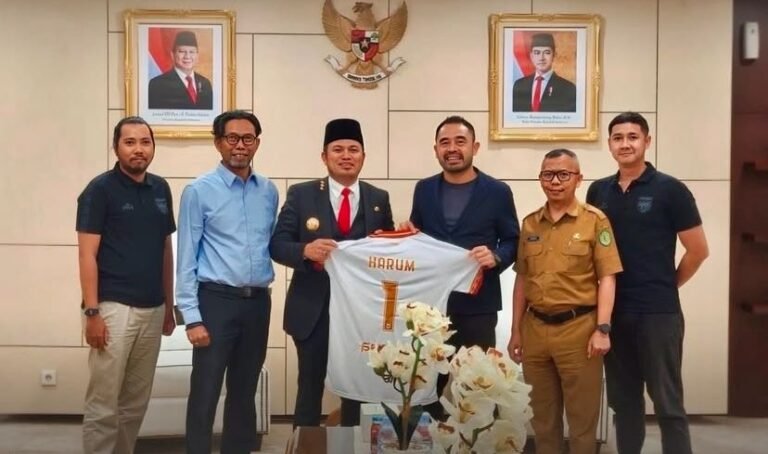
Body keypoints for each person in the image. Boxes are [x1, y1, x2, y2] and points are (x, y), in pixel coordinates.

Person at [586, 112, 709, 454]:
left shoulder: (671, 190)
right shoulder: (598, 191)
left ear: (647, 141)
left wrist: (668, 286)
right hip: (612, 315)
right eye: (618, 137)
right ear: (609, 144)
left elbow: (698, 251)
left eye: (633, 137)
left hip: (658, 314)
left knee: (668, 405)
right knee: (624, 404)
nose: (625, 144)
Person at [270, 118, 394, 428]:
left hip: (361, 314)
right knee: (309, 388)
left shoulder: (378, 199)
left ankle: (355, 446)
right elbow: (277, 245)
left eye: (353, 149)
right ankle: (305, 446)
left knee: (358, 390)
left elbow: (387, 252)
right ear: (324, 156)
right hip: (313, 311)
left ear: (363, 156)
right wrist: (305, 251)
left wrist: (404, 239)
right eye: (338, 149)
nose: (346, 155)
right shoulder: (302, 194)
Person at [508, 149, 622, 454]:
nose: (555, 181)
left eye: (563, 174)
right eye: (548, 175)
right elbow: (522, 280)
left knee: (582, 423)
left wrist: (603, 329)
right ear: (540, 179)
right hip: (535, 330)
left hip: (579, 332)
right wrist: (516, 331)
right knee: (542, 421)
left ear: (578, 179)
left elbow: (608, 278)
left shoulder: (595, 221)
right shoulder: (530, 224)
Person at [176, 110, 278, 453]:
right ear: (218, 143)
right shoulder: (199, 191)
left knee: (244, 391)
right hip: (215, 303)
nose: (240, 145)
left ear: (257, 143)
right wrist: (192, 317)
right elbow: (186, 257)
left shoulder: (269, 191)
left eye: (247, 139)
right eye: (232, 138)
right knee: (205, 390)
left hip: (257, 303)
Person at [407, 115, 520, 416]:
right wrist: (406, 235)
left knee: (478, 390)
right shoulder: (424, 189)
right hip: (431, 310)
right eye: (445, 143)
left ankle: (481, 439)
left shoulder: (497, 192)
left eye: (460, 141)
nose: (452, 148)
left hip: (478, 307)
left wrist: (496, 256)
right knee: (425, 389)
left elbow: (513, 241)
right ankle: (429, 439)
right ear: (436, 149)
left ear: (475, 147)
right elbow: (419, 239)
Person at [77, 116, 176, 454]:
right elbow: (87, 255)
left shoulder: (161, 189)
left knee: (134, 404)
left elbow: (165, 250)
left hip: (153, 308)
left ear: (153, 146)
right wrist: (92, 313)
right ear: (116, 147)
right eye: (129, 142)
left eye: (145, 142)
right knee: (104, 405)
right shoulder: (99, 190)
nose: (138, 149)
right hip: (112, 309)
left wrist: (169, 305)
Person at [148, 30, 213, 110]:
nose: (187, 56)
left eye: (192, 52)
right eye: (182, 51)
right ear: (172, 55)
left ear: (197, 56)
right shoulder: (157, 84)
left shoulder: (205, 83)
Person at [512, 33, 577, 113]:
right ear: (531, 56)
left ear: (554, 55)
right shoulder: (519, 85)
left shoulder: (568, 89)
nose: (541, 58)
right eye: (537, 53)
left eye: (547, 52)